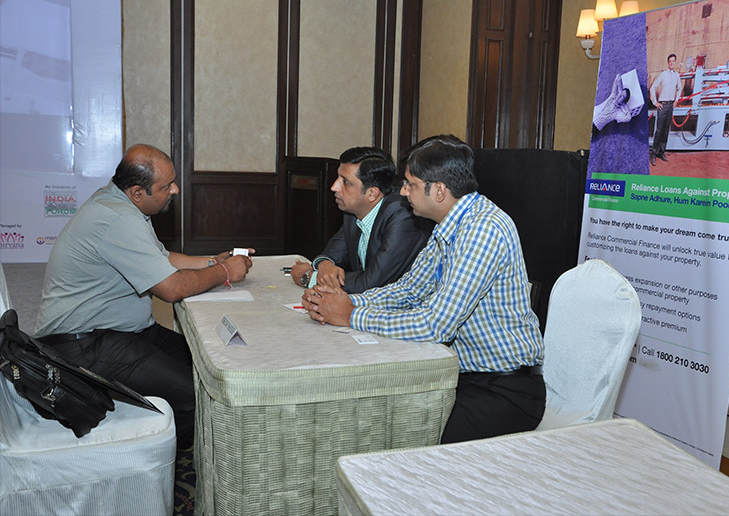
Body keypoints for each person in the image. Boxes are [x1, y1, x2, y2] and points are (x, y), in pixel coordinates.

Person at [302, 135, 545, 443]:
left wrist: (351, 316)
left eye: (410, 184)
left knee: (414, 443)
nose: (403, 192)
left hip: (503, 389)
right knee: (377, 423)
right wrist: (343, 300)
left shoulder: (483, 229)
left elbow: (436, 324)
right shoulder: (449, 226)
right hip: (458, 375)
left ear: (438, 190)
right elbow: (408, 291)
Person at [35, 144, 254, 448]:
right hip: (83, 345)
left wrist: (212, 262)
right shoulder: (117, 219)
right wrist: (225, 272)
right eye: (167, 186)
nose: (175, 190)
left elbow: (161, 259)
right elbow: (171, 289)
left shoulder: (121, 203)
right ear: (138, 192)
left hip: (122, 332)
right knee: (198, 394)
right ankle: (165, 461)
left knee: (210, 361)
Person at [290, 147, 430, 294]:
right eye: (338, 178)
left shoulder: (402, 215)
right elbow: (334, 252)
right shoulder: (354, 211)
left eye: (345, 182)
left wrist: (311, 278)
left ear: (372, 193)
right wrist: (325, 264)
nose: (334, 187)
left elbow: (373, 283)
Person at [649, 53, 682, 166]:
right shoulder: (663, 74)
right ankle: (654, 153)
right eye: (670, 61)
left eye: (673, 61)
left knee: (666, 130)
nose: (671, 63)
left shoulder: (677, 75)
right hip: (662, 106)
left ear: (675, 62)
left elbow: (679, 88)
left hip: (670, 105)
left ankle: (661, 152)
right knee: (659, 130)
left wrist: (676, 100)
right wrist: (655, 102)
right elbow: (653, 87)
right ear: (668, 63)